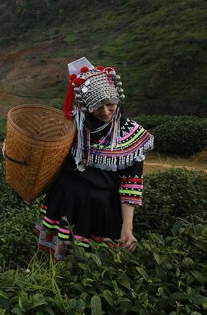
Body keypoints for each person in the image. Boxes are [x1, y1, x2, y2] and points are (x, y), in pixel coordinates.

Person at [11, 57, 154, 262]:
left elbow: (131, 185)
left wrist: (127, 227)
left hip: (100, 210)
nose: (105, 112)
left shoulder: (130, 134)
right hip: (64, 203)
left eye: (110, 104)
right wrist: (16, 148)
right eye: (97, 107)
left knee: (95, 265)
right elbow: (43, 151)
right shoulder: (72, 127)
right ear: (84, 105)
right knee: (56, 263)